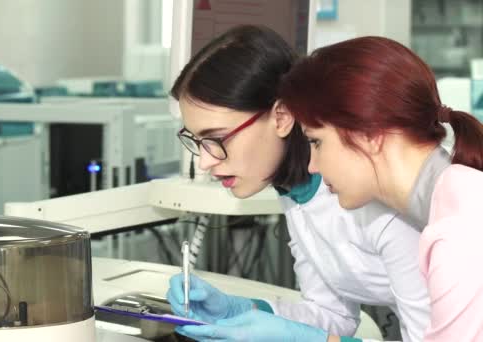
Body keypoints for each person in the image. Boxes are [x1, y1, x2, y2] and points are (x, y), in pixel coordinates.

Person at [166, 25, 430, 342]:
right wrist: (241, 312)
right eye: (196, 141)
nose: (205, 161)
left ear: (281, 116)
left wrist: (301, 340)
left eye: (217, 139)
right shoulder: (297, 191)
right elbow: (333, 315)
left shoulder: (376, 195)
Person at [277, 36, 483, 341]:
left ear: (370, 134)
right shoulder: (457, 198)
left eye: (316, 142)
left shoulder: (458, 238)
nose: (312, 166)